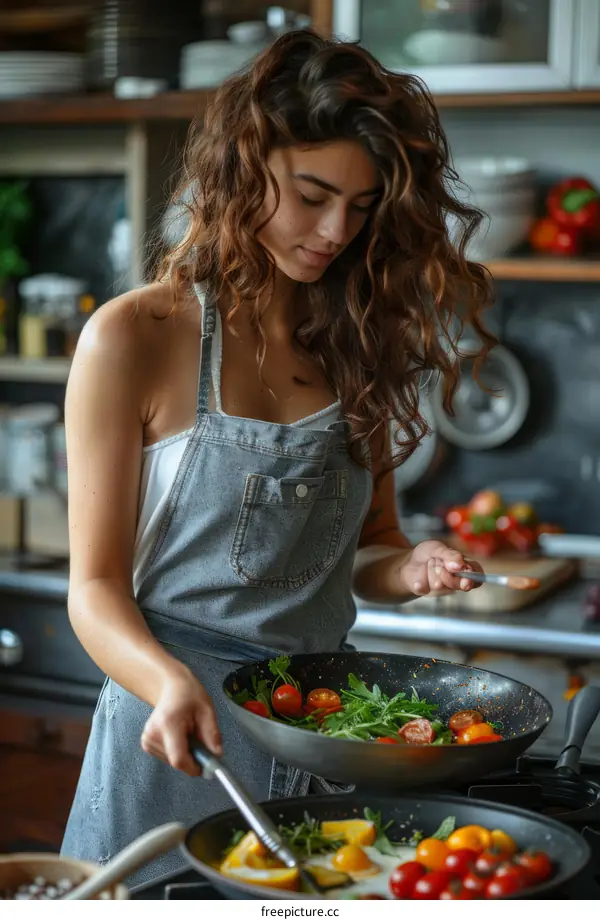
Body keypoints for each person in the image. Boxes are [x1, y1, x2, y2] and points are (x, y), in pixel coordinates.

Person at [61, 30, 493, 884]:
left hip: (323, 744)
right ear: (244, 168)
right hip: (171, 742)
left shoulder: (358, 343)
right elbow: (95, 591)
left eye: (362, 206)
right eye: (312, 193)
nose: (336, 230)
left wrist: (414, 567)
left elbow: (369, 548)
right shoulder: (134, 337)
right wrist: (166, 680)